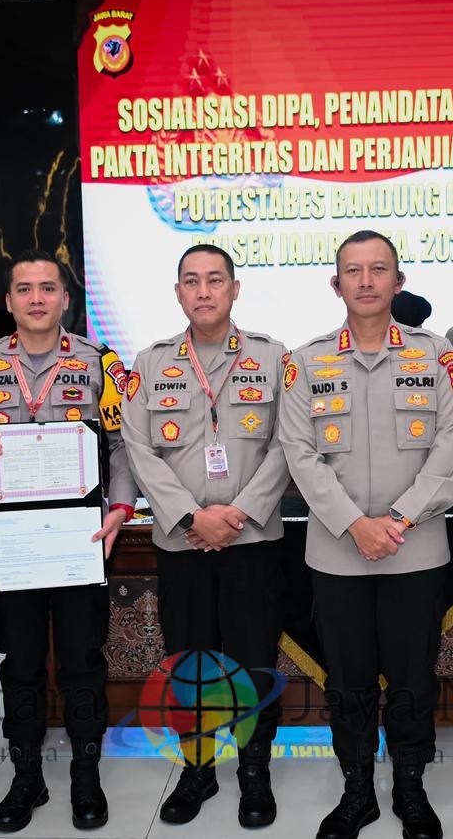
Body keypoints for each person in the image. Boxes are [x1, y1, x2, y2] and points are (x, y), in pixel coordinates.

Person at [278, 230, 453, 839]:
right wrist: (356, 525)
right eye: (353, 271)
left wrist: (400, 519)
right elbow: (298, 452)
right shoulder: (306, 361)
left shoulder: (436, 356)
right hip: (338, 553)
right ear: (336, 285)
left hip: (416, 550)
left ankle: (411, 789)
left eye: (378, 269)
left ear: (398, 281)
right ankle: (357, 790)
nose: (366, 281)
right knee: (348, 681)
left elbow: (452, 446)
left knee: (414, 679)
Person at [0, 249, 135, 833]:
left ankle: (85, 774)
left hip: (80, 539)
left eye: (47, 288)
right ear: (8, 301)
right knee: (21, 664)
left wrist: (121, 507)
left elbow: (123, 445)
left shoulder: (99, 363)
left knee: (82, 662)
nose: (36, 298)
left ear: (65, 299)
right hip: (14, 546)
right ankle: (26, 774)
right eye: (24, 289)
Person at [121, 243, 291, 828]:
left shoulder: (274, 357)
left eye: (215, 280)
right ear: (178, 293)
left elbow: (289, 444)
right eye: (191, 281)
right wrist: (192, 517)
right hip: (182, 542)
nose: (203, 291)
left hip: (253, 541)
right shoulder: (149, 363)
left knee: (254, 659)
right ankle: (198, 770)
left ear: (234, 289)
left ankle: (254, 768)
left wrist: (237, 513)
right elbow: (137, 448)